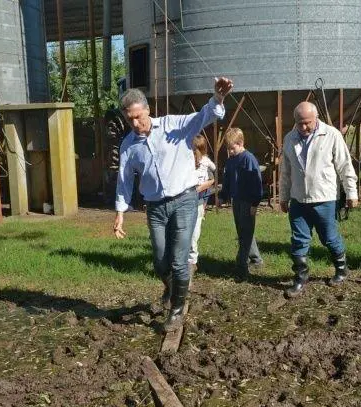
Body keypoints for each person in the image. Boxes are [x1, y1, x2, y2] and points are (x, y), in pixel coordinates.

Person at [113, 77, 233, 332]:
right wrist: (120, 213)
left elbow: (205, 116)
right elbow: (123, 180)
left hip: (185, 201)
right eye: (129, 119)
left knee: (179, 261)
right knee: (159, 260)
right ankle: (172, 288)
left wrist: (218, 98)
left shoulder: (174, 125)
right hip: (156, 208)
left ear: (147, 110)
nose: (135, 123)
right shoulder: (129, 145)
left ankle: (176, 310)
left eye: (138, 116)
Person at [279, 102, 358, 297]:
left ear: (316, 118)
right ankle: (300, 278)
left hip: (325, 198)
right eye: (299, 123)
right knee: (298, 240)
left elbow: (345, 166)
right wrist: (283, 197)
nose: (304, 127)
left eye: (307, 123)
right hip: (298, 200)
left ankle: (341, 270)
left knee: (329, 238)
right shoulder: (289, 139)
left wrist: (351, 193)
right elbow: (285, 172)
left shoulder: (331, 135)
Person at [218, 128, 264, 281]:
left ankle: (241, 266)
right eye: (228, 148)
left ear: (241, 143)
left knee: (245, 233)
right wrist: (222, 196)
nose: (230, 151)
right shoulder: (231, 160)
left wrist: (255, 203)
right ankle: (256, 259)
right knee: (243, 231)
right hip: (236, 201)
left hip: (248, 201)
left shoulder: (249, 159)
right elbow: (227, 179)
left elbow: (257, 183)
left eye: (233, 148)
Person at [188, 135, 216, 274]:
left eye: (196, 151)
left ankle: (192, 262)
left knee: (194, 233)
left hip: (198, 201)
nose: (195, 154)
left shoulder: (205, 163)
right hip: (185, 201)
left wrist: (200, 188)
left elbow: (212, 179)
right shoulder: (185, 161)